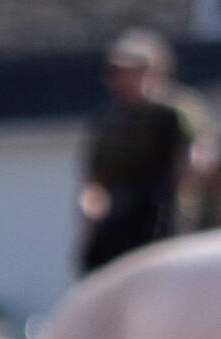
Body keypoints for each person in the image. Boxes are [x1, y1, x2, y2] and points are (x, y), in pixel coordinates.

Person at [77, 29, 193, 274]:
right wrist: (91, 216)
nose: (122, 79)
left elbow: (192, 165)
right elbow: (94, 184)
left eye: (132, 71)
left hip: (162, 221)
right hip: (119, 222)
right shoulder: (107, 123)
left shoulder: (174, 114)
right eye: (116, 72)